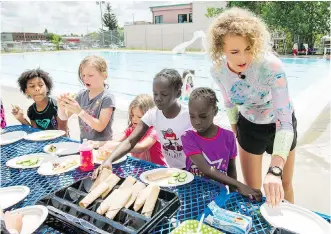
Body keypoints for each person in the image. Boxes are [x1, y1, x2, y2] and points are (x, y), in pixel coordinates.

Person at [208, 7, 297, 207]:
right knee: (253, 192)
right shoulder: (217, 71)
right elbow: (229, 102)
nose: (243, 58)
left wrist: (275, 170)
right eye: (234, 51)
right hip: (249, 125)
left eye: (248, 48)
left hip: (281, 125)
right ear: (220, 48)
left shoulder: (272, 66)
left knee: (284, 183)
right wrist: (235, 130)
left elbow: (284, 121)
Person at [93, 69, 192, 178]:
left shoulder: (190, 115)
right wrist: (109, 160)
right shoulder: (152, 115)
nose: (158, 98)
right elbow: (130, 140)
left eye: (164, 94)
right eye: (155, 93)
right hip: (171, 171)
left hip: (192, 169)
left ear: (178, 93)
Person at [181, 87, 262, 200]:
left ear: (215, 111)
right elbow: (206, 169)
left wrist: (234, 195)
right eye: (192, 116)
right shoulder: (188, 137)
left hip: (219, 195)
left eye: (203, 116)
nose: (197, 122)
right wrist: (240, 185)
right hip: (193, 196)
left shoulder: (228, 137)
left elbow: (231, 170)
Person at [57, 55, 115, 142]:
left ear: (104, 76)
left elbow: (100, 126)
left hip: (102, 145)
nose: (85, 79)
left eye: (90, 75)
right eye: (83, 75)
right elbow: (64, 117)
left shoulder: (107, 98)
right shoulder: (81, 95)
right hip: (85, 144)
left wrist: (80, 112)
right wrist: (61, 107)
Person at [98, 94, 167, 166]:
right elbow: (113, 141)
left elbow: (142, 147)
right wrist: (96, 144)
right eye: (132, 115)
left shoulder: (154, 130)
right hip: (139, 166)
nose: (134, 119)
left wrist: (116, 145)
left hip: (157, 169)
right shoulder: (132, 130)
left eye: (139, 117)